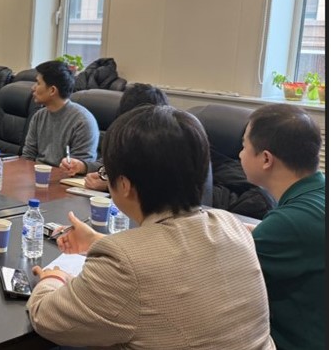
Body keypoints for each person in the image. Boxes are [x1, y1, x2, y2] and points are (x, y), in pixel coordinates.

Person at [27, 106, 274, 349]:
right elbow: (174, 260)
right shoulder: (232, 226)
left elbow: (46, 317)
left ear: (124, 185)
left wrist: (54, 278)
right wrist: (96, 240)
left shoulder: (124, 264)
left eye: (106, 173)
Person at [239, 103, 326, 350]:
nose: (240, 154)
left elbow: (216, 277)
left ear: (266, 159)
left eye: (244, 146)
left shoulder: (288, 224)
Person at [62, 83, 169, 190]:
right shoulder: (124, 132)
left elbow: (158, 185)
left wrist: (110, 186)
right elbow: (108, 164)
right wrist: (83, 166)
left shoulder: (165, 144)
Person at [21, 60, 98, 166]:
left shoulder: (83, 121)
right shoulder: (39, 116)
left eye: (38, 83)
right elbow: (28, 156)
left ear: (52, 90)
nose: (33, 88)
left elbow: (79, 166)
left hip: (64, 175)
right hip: (37, 172)